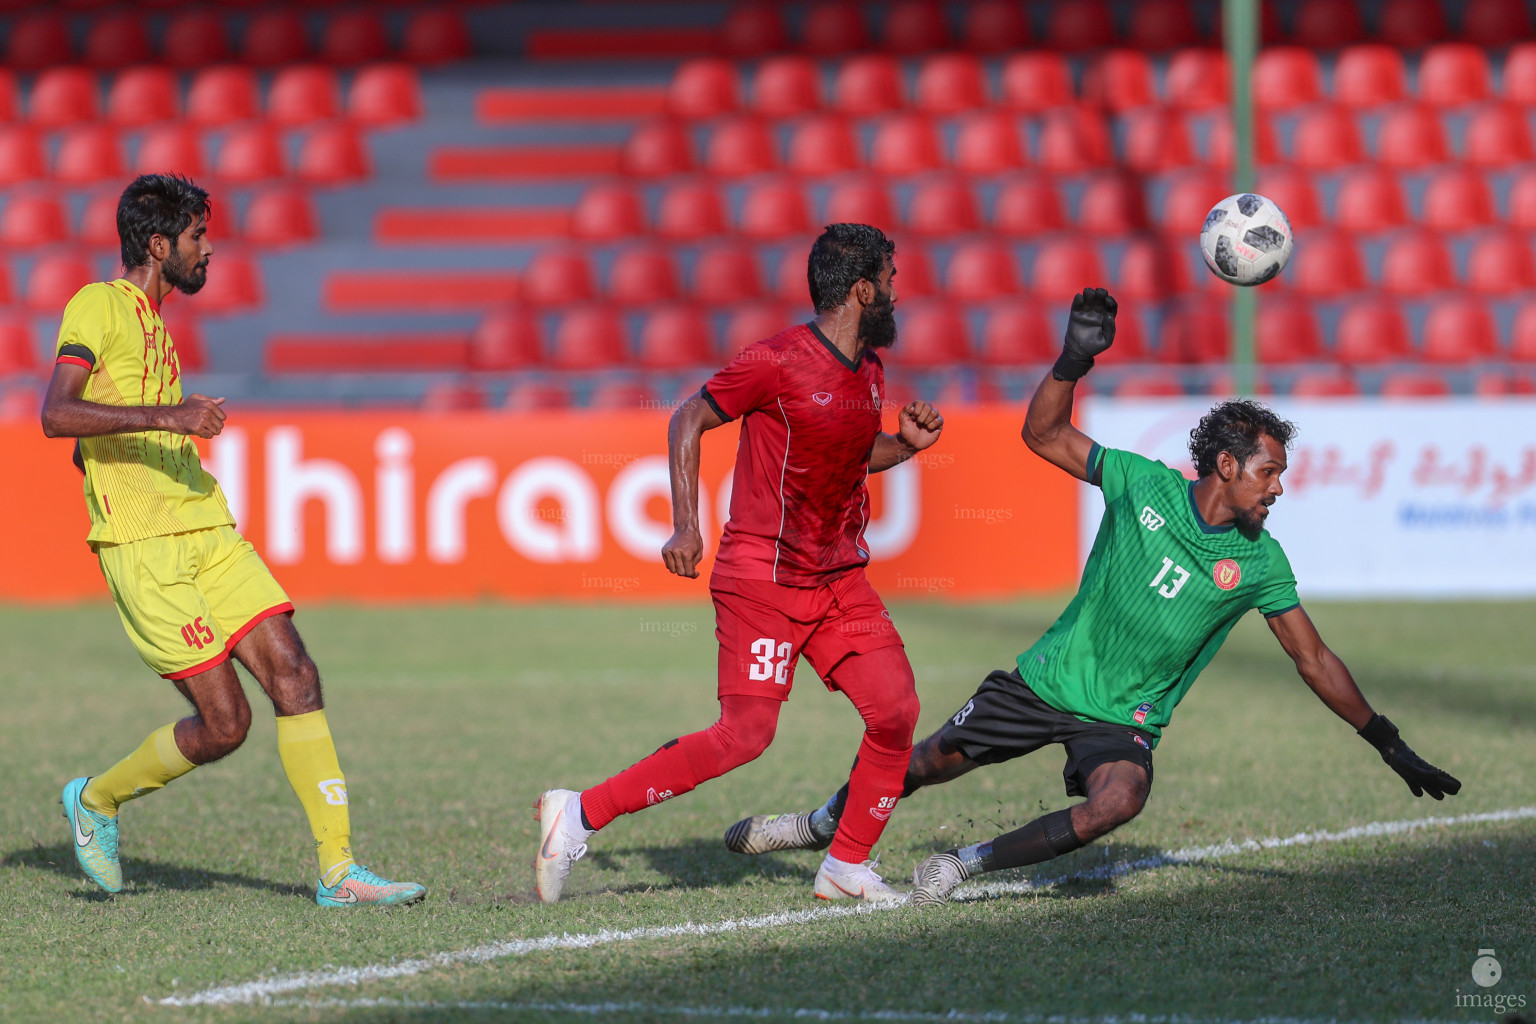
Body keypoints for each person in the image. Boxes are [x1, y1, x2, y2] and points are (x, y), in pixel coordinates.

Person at [724, 287, 1461, 904]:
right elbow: (1042, 434)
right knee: (921, 763)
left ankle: (964, 863)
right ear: (1227, 465)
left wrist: (1389, 744)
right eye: (1269, 472)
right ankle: (820, 823)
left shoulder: (1261, 562)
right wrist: (1074, 360)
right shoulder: (1142, 483)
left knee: (1120, 800)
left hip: (1121, 719)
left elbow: (1315, 660)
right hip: (1046, 683)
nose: (1278, 487)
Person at [42, 173, 424, 907]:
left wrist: (139, 433)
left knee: (297, 673)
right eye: (196, 237)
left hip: (209, 529)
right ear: (159, 245)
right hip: (145, 549)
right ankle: (96, 800)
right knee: (226, 725)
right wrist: (172, 417)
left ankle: (338, 871)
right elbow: (58, 413)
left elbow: (92, 432)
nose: (208, 250)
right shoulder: (98, 304)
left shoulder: (159, 326)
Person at [534, 224, 944, 904]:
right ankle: (577, 814)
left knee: (897, 709)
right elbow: (688, 419)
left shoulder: (870, 370)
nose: (899, 292)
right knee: (745, 735)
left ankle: (846, 865)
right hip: (763, 579)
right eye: (892, 280)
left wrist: (902, 446)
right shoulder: (777, 360)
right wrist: (686, 525)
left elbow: (850, 450)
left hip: (838, 577)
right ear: (864, 289)